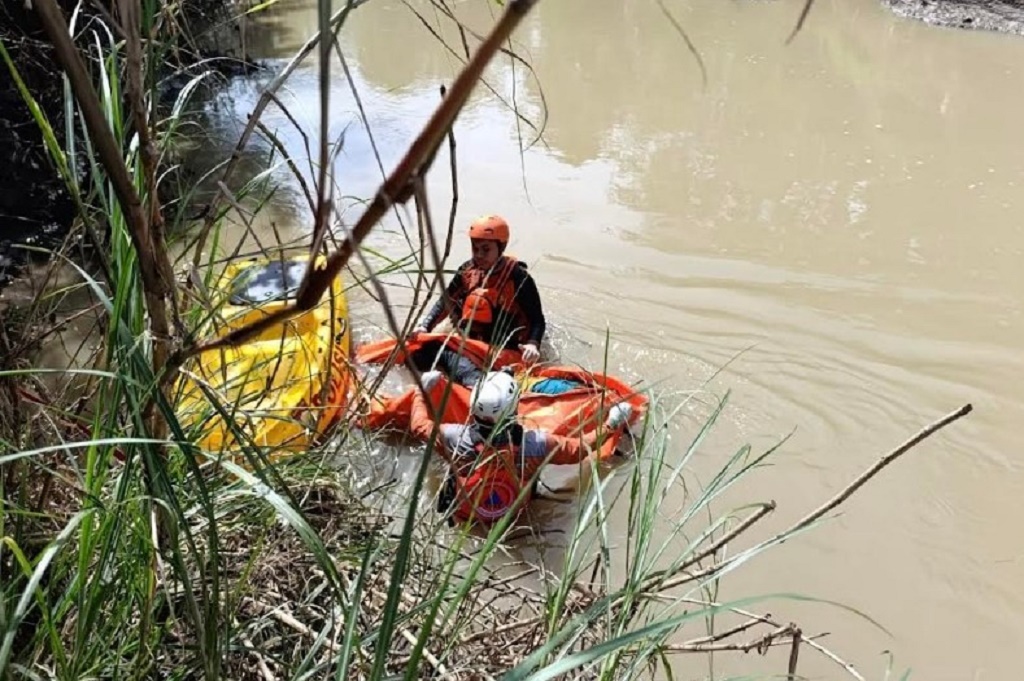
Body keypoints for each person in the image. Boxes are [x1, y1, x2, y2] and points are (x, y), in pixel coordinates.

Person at [409, 369, 634, 526]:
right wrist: (611, 424)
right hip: (513, 519)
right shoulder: (536, 445)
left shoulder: (452, 437)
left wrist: (421, 391)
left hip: (464, 519)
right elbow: (582, 448)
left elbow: (418, 425)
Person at [414, 214, 547, 365]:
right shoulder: (466, 271)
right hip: (469, 339)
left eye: (486, 249)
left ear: (501, 247)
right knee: (420, 355)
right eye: (475, 248)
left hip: (504, 347)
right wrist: (424, 326)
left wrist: (533, 344)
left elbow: (537, 319)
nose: (479, 255)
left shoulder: (519, 278)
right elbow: (445, 302)